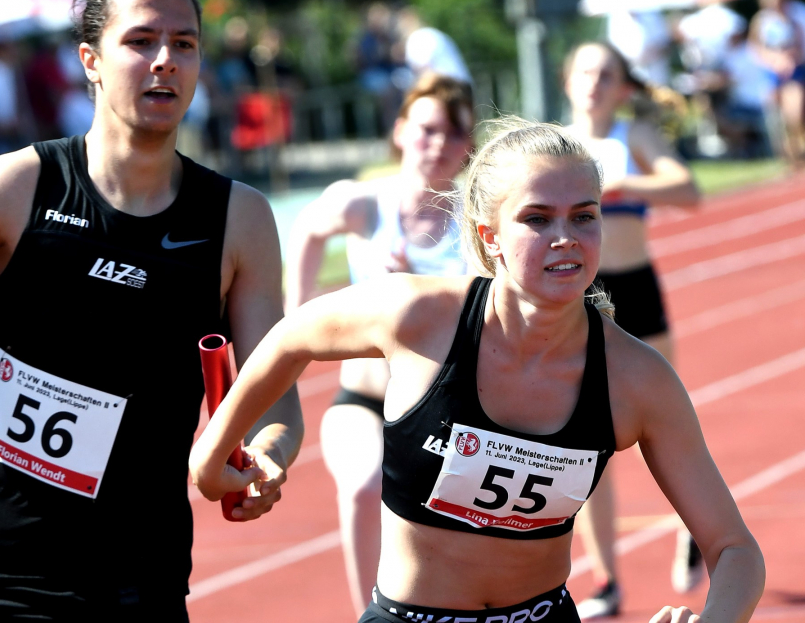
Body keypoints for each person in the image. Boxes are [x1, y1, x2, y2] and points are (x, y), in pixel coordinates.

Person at [190, 116, 764, 623]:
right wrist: (214, 450)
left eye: (583, 216)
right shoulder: (420, 316)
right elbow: (290, 338)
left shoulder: (637, 378)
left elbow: (735, 550)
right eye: (536, 218)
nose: (565, 238)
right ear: (490, 236)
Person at [0, 0, 303, 622]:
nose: (165, 61)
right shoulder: (14, 187)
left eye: (184, 44)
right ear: (89, 59)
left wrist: (267, 455)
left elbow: (273, 392)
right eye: (141, 41)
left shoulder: (239, 220)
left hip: (135, 584)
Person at [284, 72, 474, 615]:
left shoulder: (476, 221)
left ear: (469, 147)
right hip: (364, 401)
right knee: (366, 486)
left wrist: (425, 293)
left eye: (454, 134)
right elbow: (307, 230)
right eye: (427, 129)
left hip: (446, 412)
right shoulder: (365, 204)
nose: (438, 144)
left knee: (451, 541)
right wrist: (298, 316)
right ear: (401, 130)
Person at [562, 41, 702, 619]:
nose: (595, 81)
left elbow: (688, 191)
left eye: (607, 74)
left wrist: (624, 185)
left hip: (637, 290)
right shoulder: (556, 142)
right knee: (583, 440)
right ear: (568, 80)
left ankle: (694, 525)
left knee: (664, 423)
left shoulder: (634, 137)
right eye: (586, 70)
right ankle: (607, 581)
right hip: (580, 299)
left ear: (623, 86)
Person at [749, 0, 805, 167]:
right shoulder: (761, 21)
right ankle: (787, 154)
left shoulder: (792, 20)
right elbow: (755, 47)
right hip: (771, 72)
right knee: (775, 115)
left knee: (794, 112)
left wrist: (789, 60)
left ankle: (796, 147)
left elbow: (798, 45)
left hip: (793, 71)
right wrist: (771, 60)